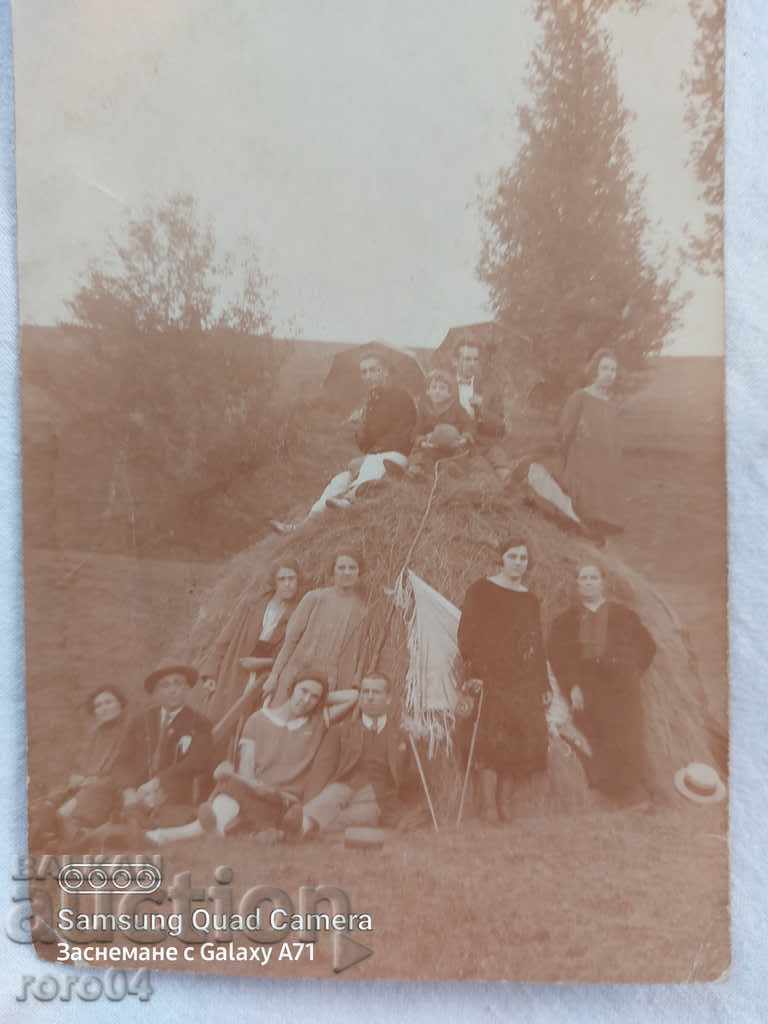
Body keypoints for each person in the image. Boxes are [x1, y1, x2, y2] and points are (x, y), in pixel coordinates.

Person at [147, 670, 359, 844]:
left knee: (231, 796)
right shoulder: (257, 720)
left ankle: (187, 833)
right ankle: (207, 829)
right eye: (303, 691)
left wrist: (322, 700)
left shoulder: (317, 722)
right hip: (252, 790)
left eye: (314, 697)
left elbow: (353, 697)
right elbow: (246, 769)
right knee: (232, 787)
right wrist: (254, 785)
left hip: (284, 799)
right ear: (290, 689)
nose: (306, 700)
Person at [457, 537, 550, 824]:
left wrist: (543, 683)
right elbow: (467, 634)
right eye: (513, 557)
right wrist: (474, 673)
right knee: (490, 738)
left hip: (522, 679)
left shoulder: (530, 599)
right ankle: (487, 806)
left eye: (523, 558)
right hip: (491, 675)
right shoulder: (481, 590)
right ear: (501, 559)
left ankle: (505, 804)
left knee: (519, 737)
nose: (518, 563)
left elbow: (537, 643)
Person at [270, 351, 417, 532]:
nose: (368, 376)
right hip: (374, 459)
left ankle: (350, 498)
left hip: (397, 456)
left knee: (369, 464)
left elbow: (404, 434)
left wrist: (373, 452)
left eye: (373, 370)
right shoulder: (371, 402)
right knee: (340, 479)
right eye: (364, 372)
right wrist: (361, 427)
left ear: (385, 371)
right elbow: (365, 445)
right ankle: (305, 524)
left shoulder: (401, 397)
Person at [547, 563, 656, 803]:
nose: (588, 582)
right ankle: (613, 793)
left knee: (626, 735)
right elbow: (558, 657)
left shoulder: (624, 615)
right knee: (597, 735)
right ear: (577, 584)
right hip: (588, 687)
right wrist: (572, 685)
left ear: (602, 582)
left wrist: (631, 671)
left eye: (593, 578)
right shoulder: (565, 621)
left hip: (622, 687)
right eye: (583, 578)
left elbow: (647, 646)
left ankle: (635, 791)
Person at [282, 673, 413, 837]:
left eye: (376, 692)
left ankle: (303, 825)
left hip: (377, 797)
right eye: (365, 692)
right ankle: (303, 822)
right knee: (335, 792)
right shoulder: (341, 731)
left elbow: (410, 778)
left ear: (388, 698)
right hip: (342, 789)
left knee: (362, 816)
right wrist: (311, 801)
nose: (369, 697)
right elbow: (321, 770)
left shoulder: (402, 736)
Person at [197, 559, 302, 726]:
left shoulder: (299, 612)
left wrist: (263, 663)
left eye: (292, 579)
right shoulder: (252, 605)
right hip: (237, 669)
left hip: (267, 675)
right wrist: (210, 674)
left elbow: (297, 653)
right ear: (274, 582)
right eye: (282, 579)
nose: (288, 584)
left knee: (251, 724)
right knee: (221, 719)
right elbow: (224, 639)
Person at [110, 665, 214, 827]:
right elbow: (121, 761)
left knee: (160, 812)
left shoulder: (199, 723)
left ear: (187, 689)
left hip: (172, 788)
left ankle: (129, 825)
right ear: (156, 692)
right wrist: (128, 790)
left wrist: (158, 781)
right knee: (100, 790)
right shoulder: (141, 721)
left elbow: (197, 761)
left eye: (178, 684)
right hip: (136, 788)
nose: (172, 690)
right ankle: (73, 829)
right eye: (165, 685)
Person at [262, 548, 367, 707]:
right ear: (333, 570)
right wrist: (274, 675)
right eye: (341, 568)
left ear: (359, 572)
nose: (347, 573)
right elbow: (290, 641)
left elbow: (358, 655)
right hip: (295, 674)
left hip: (329, 685)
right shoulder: (315, 598)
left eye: (352, 568)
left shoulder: (362, 611)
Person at [30, 685, 131, 846]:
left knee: (66, 811)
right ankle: (44, 833)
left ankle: (64, 836)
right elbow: (81, 765)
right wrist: (78, 777)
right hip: (86, 785)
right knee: (50, 800)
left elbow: (125, 769)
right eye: (98, 706)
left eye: (108, 702)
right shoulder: (95, 734)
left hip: (112, 789)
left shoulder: (130, 731)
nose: (104, 708)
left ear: (120, 704)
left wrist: (91, 779)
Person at [558, 348, 625, 537]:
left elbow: (614, 440)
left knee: (601, 522)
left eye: (613, 370)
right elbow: (565, 432)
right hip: (580, 465)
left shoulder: (612, 404)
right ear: (595, 369)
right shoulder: (580, 397)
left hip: (604, 467)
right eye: (604, 368)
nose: (609, 374)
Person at [449, 339, 511, 485]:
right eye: (467, 359)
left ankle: (510, 483)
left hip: (484, 442)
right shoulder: (444, 386)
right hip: (455, 441)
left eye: (475, 359)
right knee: (471, 472)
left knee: (500, 463)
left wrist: (483, 408)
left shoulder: (489, 388)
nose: (472, 364)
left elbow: (500, 426)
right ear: (455, 361)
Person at [407, 368, 475, 479]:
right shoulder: (424, 409)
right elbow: (417, 430)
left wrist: (465, 437)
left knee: (461, 453)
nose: (437, 391)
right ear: (428, 391)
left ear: (449, 393)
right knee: (419, 452)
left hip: (452, 444)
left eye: (442, 388)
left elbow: (468, 424)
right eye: (434, 387)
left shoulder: (456, 407)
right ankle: (416, 469)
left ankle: (454, 469)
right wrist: (422, 441)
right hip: (432, 445)